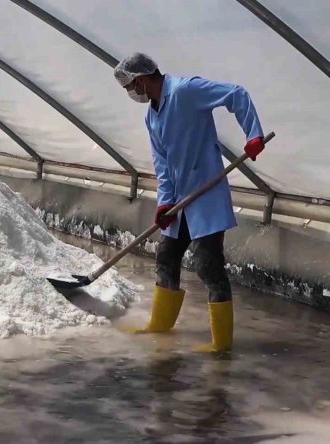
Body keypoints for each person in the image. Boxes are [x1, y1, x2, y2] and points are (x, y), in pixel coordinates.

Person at [113, 53, 266, 352]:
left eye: (130, 86)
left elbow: (235, 93)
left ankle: (221, 343)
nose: (131, 93)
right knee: (167, 258)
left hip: (205, 195)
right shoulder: (151, 116)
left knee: (209, 266)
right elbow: (162, 164)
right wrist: (164, 203)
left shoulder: (185, 90)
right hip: (179, 202)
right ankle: (159, 325)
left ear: (141, 79)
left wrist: (253, 134)